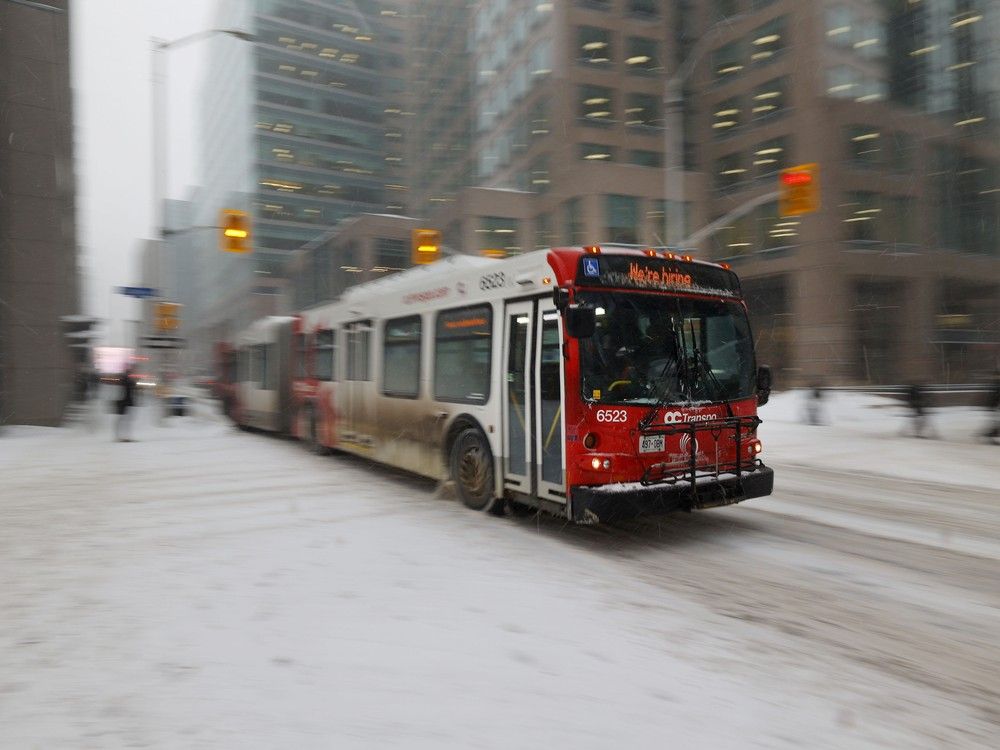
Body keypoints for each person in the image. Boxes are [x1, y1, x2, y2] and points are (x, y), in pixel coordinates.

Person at [115, 365, 137, 442]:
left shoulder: (123, 380)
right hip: (126, 402)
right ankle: (124, 436)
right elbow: (133, 386)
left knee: (123, 420)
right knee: (125, 420)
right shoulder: (127, 380)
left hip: (124, 402)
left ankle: (122, 436)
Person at [982, 372, 1000, 445]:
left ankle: (988, 435)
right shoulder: (997, 384)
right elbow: (994, 397)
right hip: (992, 406)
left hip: (993, 406)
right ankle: (989, 435)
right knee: (995, 423)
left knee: (994, 423)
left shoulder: (996, 384)